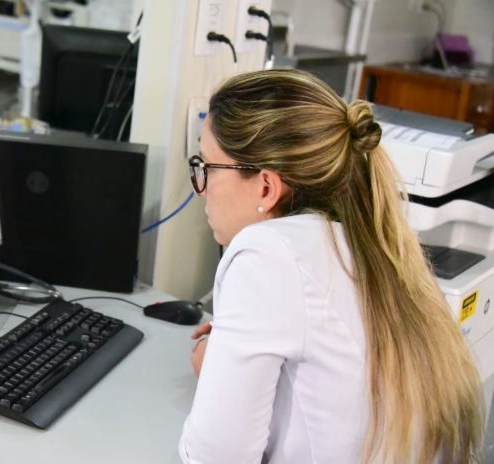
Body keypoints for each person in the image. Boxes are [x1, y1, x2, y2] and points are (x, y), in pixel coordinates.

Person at [178, 69, 483, 463]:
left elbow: (215, 456)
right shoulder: (369, 240)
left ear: (266, 187)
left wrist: (216, 374)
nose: (201, 189)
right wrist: (234, 350)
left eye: (207, 167)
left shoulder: (266, 253)